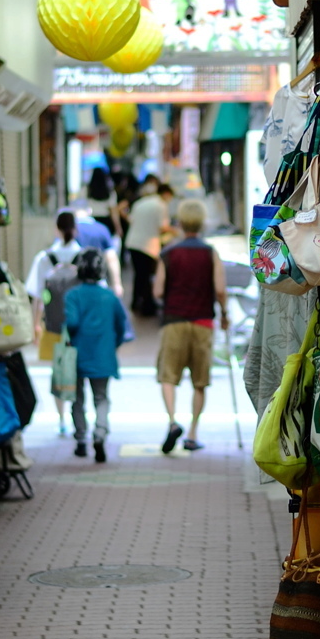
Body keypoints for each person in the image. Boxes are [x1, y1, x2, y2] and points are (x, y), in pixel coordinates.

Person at [152, 198, 229, 453]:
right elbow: (219, 289)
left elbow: (158, 290)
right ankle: (193, 433)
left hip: (174, 320)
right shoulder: (210, 253)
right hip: (203, 322)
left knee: (168, 376)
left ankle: (173, 422)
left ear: (180, 223)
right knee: (199, 381)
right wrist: (225, 313)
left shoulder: (168, 253)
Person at [64, 249, 127, 464]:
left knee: (77, 398)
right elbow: (122, 327)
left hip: (78, 354)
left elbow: (71, 323)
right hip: (103, 355)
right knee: (101, 397)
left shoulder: (73, 295)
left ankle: (81, 439)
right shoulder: (110, 296)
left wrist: (70, 333)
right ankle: (100, 433)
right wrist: (113, 345)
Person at [24, 211, 82, 435]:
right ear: (75, 229)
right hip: (79, 326)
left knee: (59, 371)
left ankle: (62, 420)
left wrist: (35, 325)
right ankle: (79, 417)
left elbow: (38, 296)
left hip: (53, 325)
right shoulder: (84, 256)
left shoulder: (44, 258)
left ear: (56, 229)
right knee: (78, 370)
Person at [125, 182, 175, 316]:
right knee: (146, 276)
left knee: (139, 275)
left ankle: (136, 303)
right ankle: (147, 307)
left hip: (132, 243)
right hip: (148, 246)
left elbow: (131, 219)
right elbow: (162, 227)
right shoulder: (161, 205)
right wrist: (176, 231)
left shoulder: (141, 202)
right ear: (166, 194)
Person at [85, 166, 122, 236]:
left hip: (91, 220)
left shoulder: (87, 191)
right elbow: (113, 212)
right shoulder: (110, 192)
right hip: (106, 222)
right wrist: (118, 228)